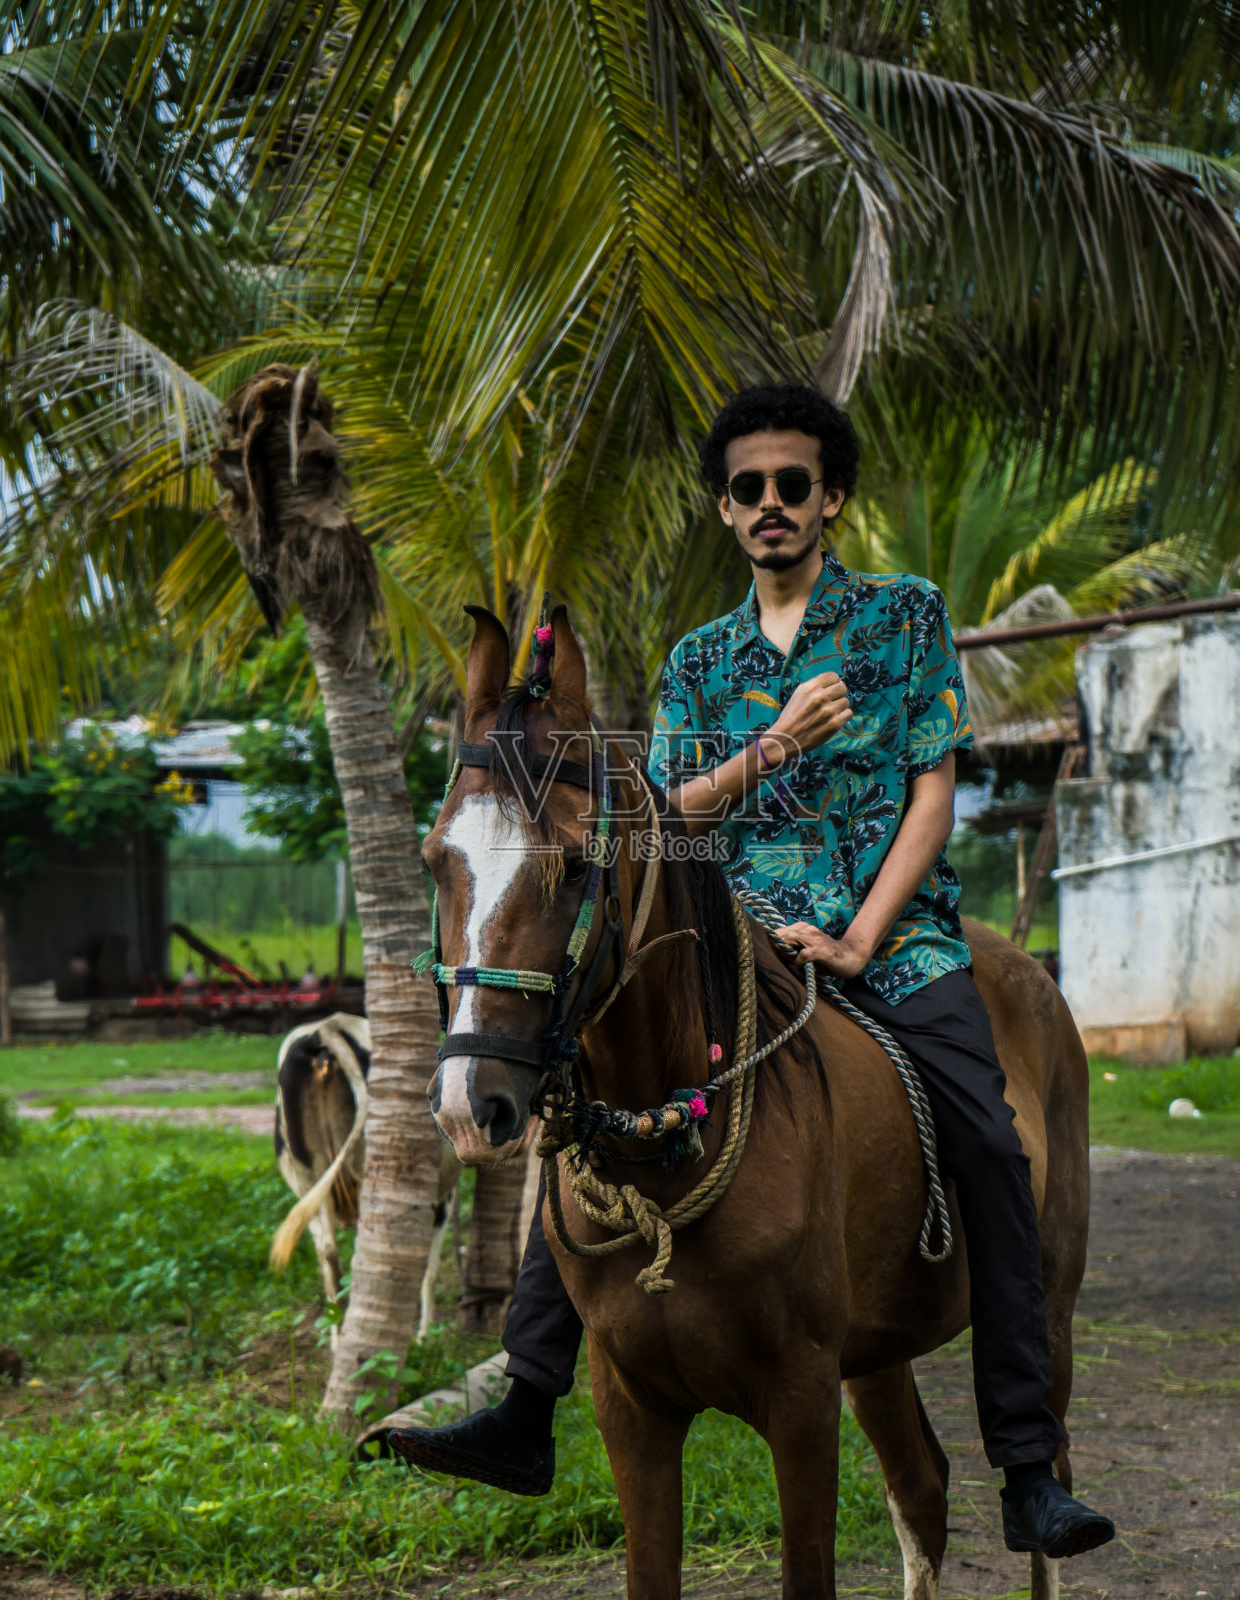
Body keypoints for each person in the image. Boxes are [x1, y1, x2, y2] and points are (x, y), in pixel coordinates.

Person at [389, 383, 1116, 1561]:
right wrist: (770, 749)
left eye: (792, 484)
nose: (770, 504)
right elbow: (668, 818)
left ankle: (1026, 1462)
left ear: (830, 497)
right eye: (746, 487)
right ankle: (529, 1396)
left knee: (988, 1134)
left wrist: (867, 934)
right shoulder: (702, 659)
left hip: (899, 934)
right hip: (736, 930)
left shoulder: (900, 618)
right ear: (725, 510)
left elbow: (934, 793)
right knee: (582, 1093)